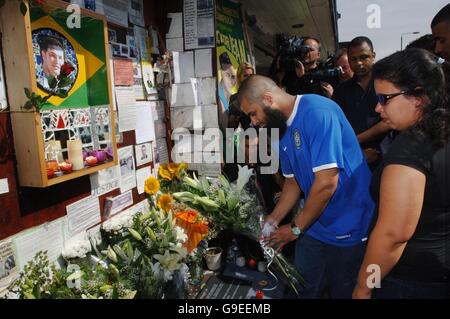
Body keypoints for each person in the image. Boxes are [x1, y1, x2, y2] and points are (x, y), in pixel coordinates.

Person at [238, 75, 375, 298]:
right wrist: (274, 218)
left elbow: (326, 183)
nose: (253, 122)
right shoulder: (279, 129)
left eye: (253, 113)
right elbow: (293, 181)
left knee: (345, 292)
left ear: (268, 98)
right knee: (300, 289)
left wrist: (294, 229)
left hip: (349, 226)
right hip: (313, 225)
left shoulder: (318, 112)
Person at [353, 49, 450, 299]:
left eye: (385, 99)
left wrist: (364, 287)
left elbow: (393, 235)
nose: (377, 107)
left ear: (418, 97)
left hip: (408, 280)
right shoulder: (441, 129)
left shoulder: (410, 147)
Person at [333, 36, 391, 171]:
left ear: (373, 56)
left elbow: (389, 121)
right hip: (354, 161)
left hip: (386, 158)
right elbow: (337, 127)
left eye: (363, 57)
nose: (358, 63)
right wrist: (354, 150)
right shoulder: (342, 90)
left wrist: (356, 140)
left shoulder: (387, 84)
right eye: (353, 59)